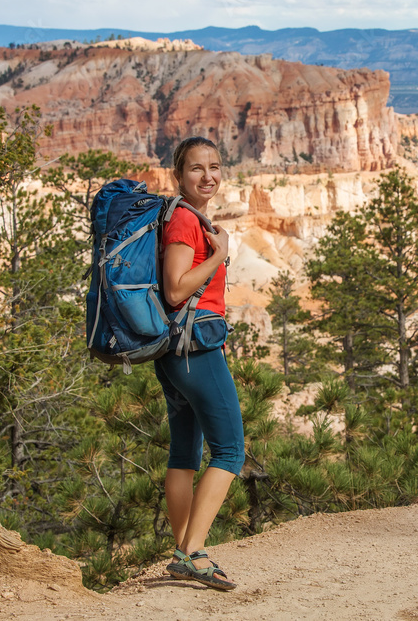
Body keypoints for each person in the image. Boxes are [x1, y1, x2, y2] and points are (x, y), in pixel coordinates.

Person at [155, 136, 243, 591]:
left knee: (184, 454)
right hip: (195, 352)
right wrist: (220, 255)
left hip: (176, 354)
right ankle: (193, 551)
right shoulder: (185, 221)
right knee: (229, 451)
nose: (207, 176)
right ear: (178, 175)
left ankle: (182, 552)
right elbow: (175, 288)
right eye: (196, 168)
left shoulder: (184, 216)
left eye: (215, 166)